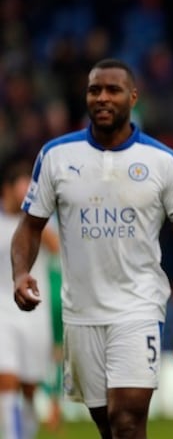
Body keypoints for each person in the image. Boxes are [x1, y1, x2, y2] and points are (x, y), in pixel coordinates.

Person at [11, 58, 173, 439]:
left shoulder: (163, 162)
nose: (102, 97)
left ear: (133, 97)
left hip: (138, 306)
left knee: (127, 419)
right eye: (94, 90)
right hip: (81, 313)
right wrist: (21, 273)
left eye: (113, 90)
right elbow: (29, 227)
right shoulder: (56, 157)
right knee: (109, 426)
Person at [0, 155, 60, 439]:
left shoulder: (37, 227)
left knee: (29, 387)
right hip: (2, 314)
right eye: (20, 187)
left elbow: (60, 252)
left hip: (36, 315)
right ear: (7, 190)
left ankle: (25, 432)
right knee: (6, 378)